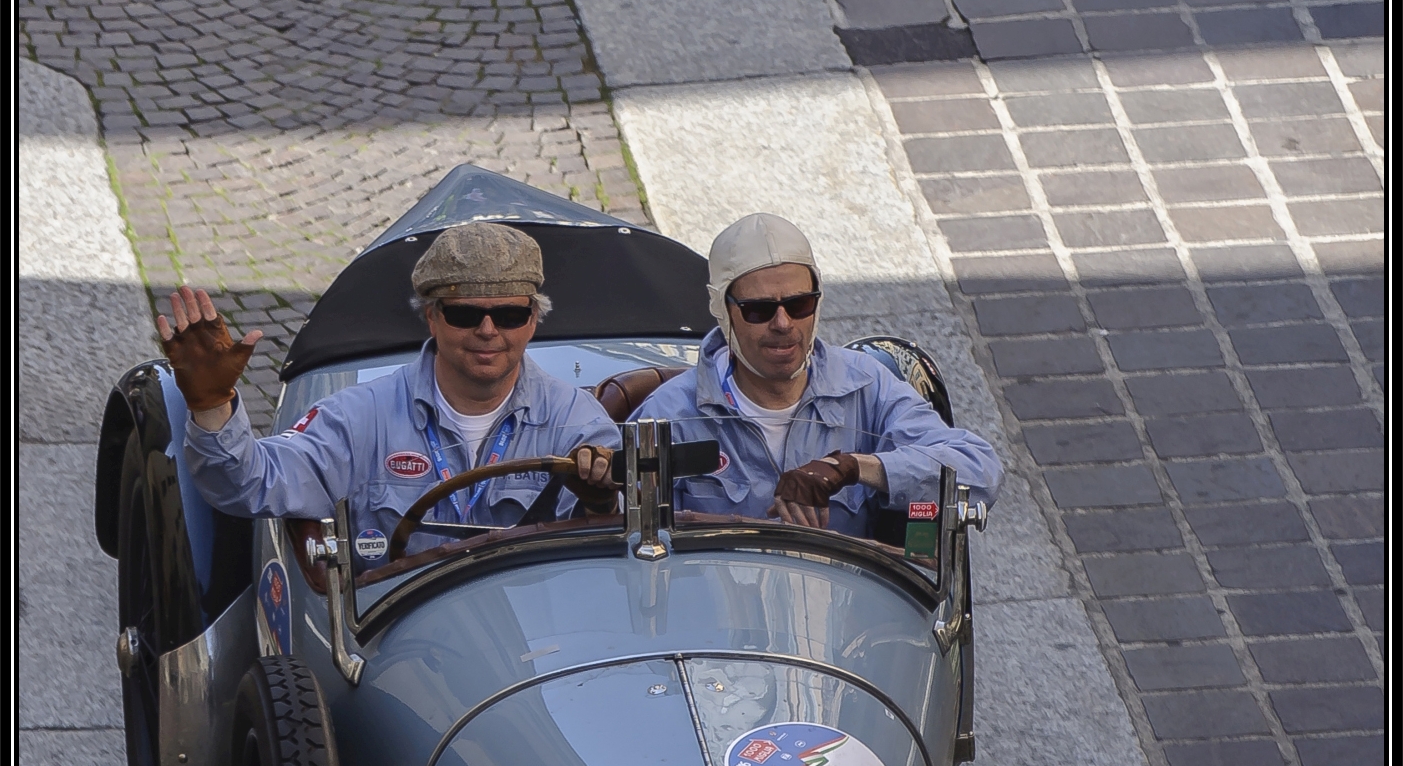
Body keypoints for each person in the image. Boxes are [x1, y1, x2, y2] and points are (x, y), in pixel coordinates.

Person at [158, 222, 620, 560]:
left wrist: (603, 496)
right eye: (464, 315)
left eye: (509, 315)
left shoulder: (579, 424)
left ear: (533, 321)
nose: (487, 330)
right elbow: (249, 485)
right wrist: (212, 404)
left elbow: (619, 549)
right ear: (431, 317)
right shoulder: (359, 417)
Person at [633, 213, 1001, 534]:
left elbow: (979, 471)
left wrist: (852, 467)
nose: (783, 323)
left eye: (799, 304)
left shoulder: (866, 386)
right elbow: (617, 529)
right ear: (723, 311)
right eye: (759, 310)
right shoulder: (671, 414)